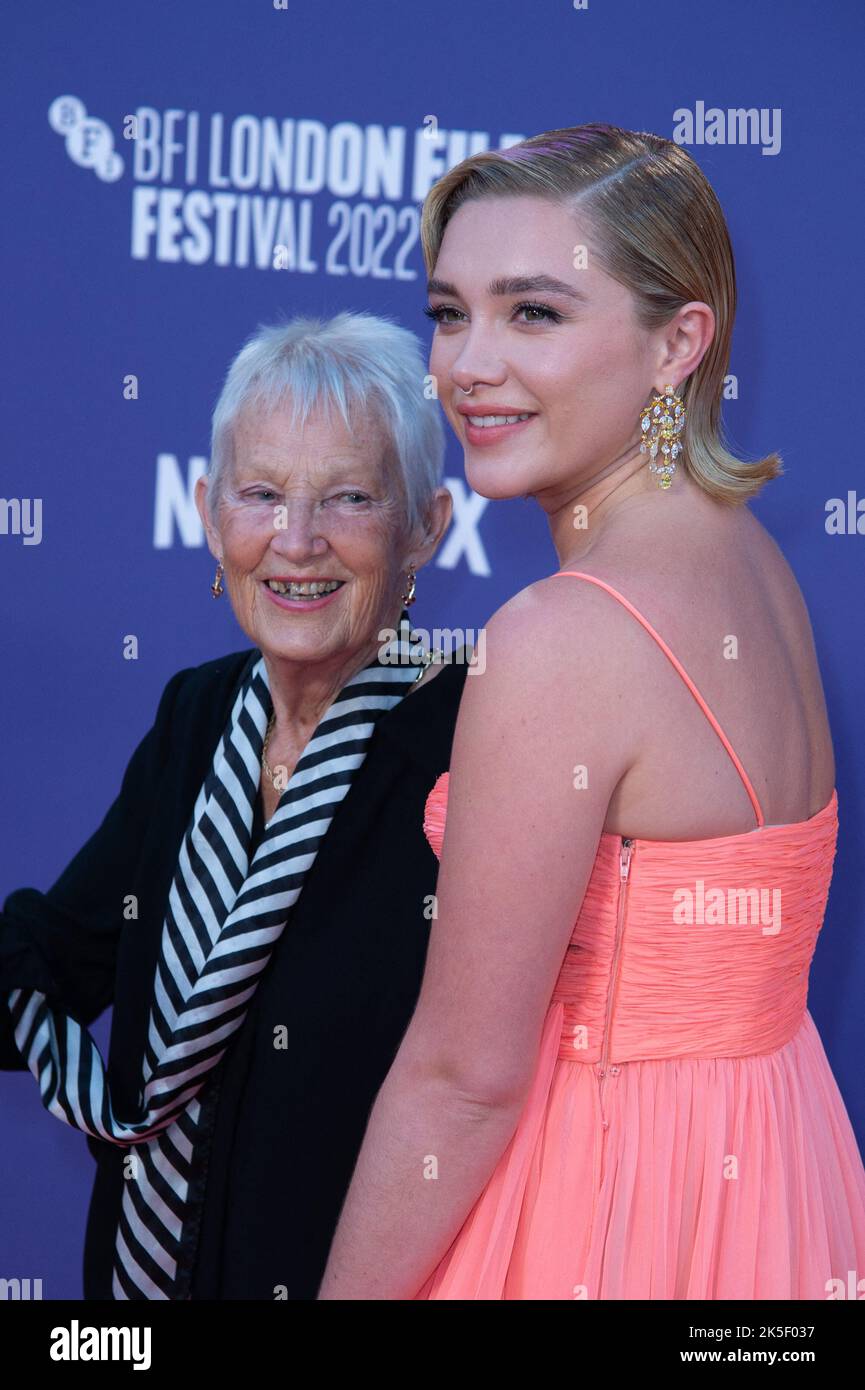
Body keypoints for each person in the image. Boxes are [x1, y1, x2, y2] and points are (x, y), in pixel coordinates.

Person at [317, 124, 865, 1300]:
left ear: (678, 342)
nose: (466, 363)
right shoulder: (752, 567)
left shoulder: (564, 636)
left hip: (599, 1200)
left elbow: (464, 1080)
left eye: (535, 314)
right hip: (762, 1179)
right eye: (450, 312)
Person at [0, 309, 469, 1300]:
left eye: (348, 497)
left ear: (426, 525)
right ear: (212, 515)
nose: (296, 541)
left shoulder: (476, 743)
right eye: (262, 495)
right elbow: (55, 956)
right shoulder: (198, 711)